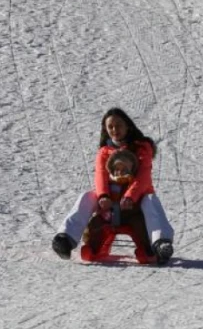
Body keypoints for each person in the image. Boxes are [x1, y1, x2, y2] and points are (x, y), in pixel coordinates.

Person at [52, 108, 174, 263]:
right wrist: (103, 196)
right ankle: (65, 239)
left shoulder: (142, 147)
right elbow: (100, 176)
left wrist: (130, 196)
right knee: (87, 196)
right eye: (110, 127)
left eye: (118, 125)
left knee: (150, 200)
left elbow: (143, 177)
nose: (114, 130)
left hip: (135, 205)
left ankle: (161, 243)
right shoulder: (104, 151)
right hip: (109, 206)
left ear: (127, 126)